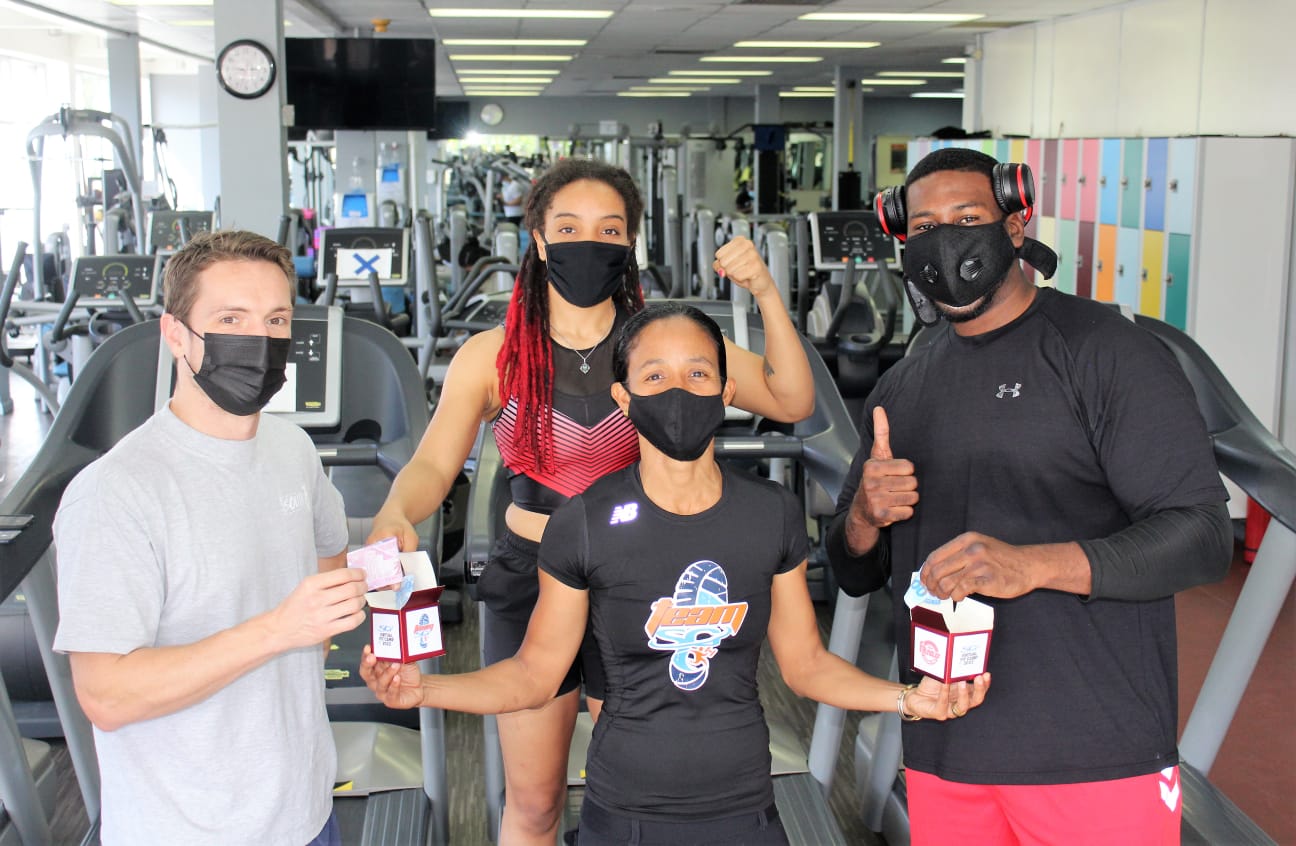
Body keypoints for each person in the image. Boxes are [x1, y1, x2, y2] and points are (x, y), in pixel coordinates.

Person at [362, 302, 990, 845]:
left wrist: (910, 700)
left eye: (697, 374)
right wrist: (425, 691)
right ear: (623, 397)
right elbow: (534, 677)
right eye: (655, 376)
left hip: (745, 808)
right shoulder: (582, 524)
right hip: (626, 815)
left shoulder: (769, 513)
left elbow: (806, 667)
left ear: (725, 393)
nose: (678, 391)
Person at [367, 157, 815, 845]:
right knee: (536, 803)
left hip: (637, 581)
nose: (589, 241)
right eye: (569, 227)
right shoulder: (496, 356)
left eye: (609, 229)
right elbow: (433, 461)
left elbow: (791, 398)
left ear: (629, 244)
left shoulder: (660, 351)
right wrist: (400, 511)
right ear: (540, 241)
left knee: (634, 798)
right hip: (530, 576)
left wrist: (766, 294)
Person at [826, 147, 1232, 844]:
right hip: (945, 744)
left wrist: (1031, 565)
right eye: (923, 227)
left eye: (967, 217)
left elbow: (1201, 535)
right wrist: (864, 515)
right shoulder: (905, 386)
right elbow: (854, 569)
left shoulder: (1104, 351)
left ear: (1014, 227)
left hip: (1092, 751)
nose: (944, 240)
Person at [53, 230, 368, 845]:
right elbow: (107, 696)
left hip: (306, 807)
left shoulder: (290, 447)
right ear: (175, 335)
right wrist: (278, 629)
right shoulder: (116, 492)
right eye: (231, 318)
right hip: (192, 829)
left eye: (276, 320)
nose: (260, 339)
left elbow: (330, 573)